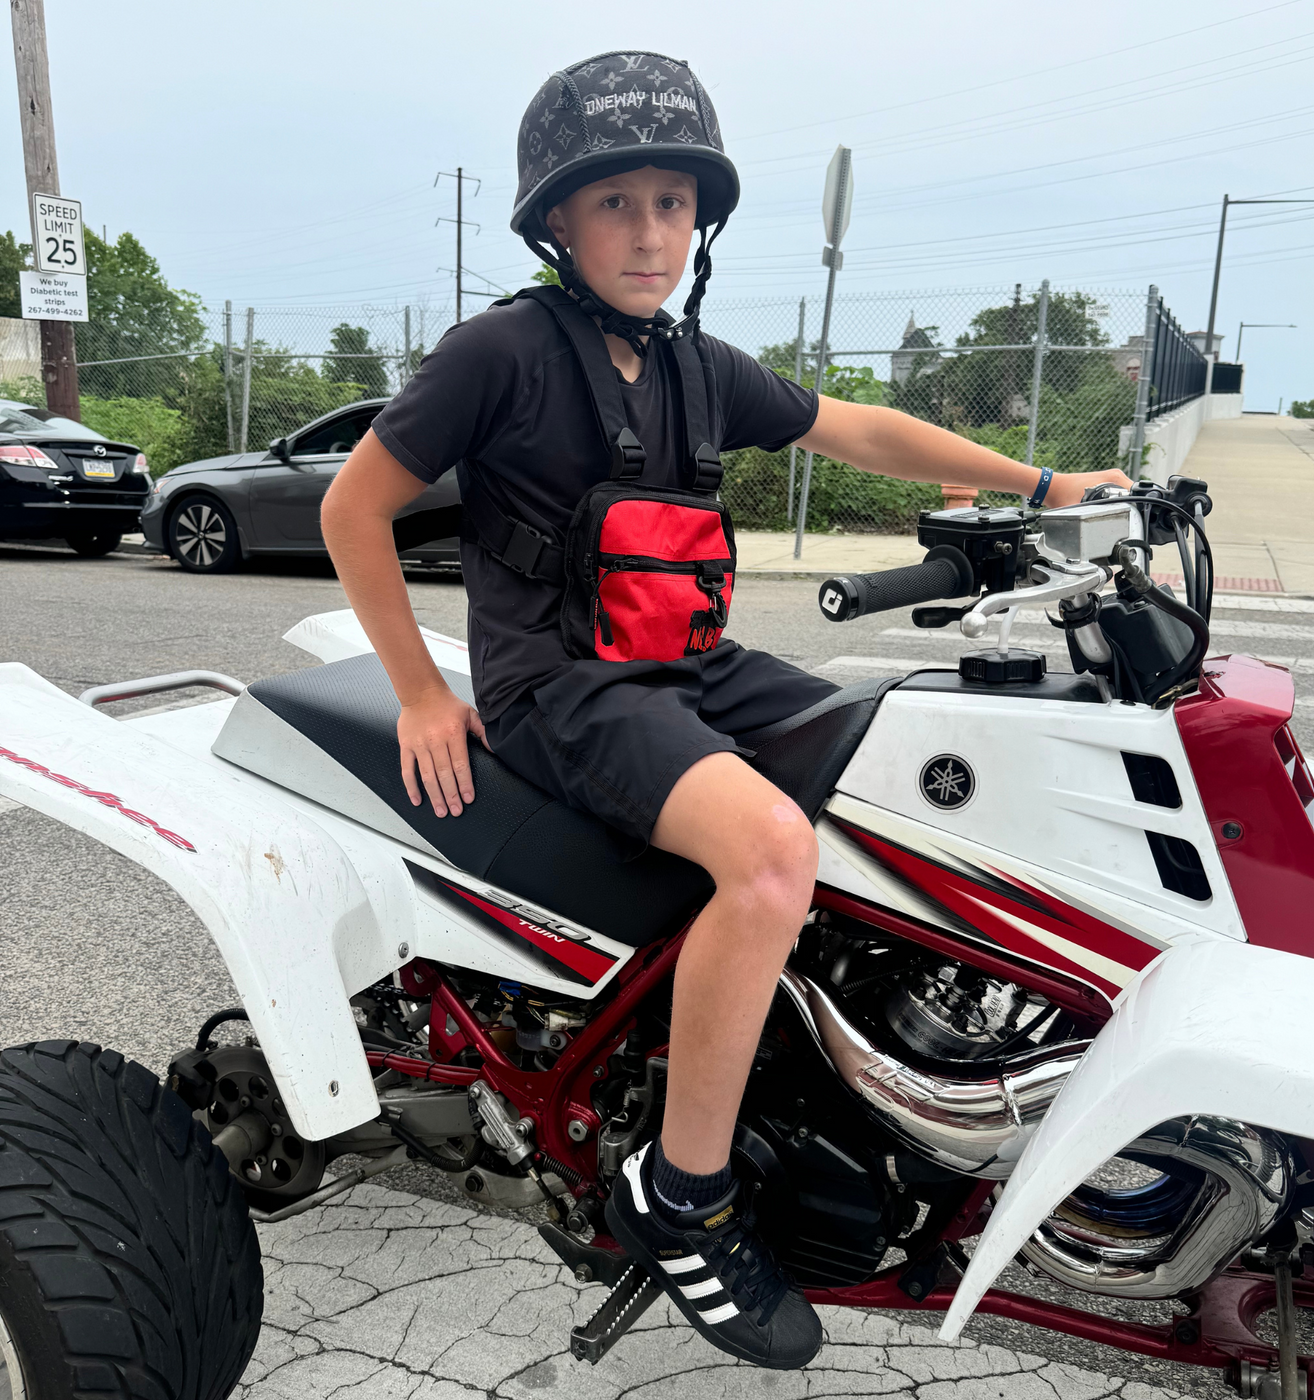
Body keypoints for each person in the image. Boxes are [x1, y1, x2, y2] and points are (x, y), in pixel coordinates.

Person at [322, 50, 1131, 1371]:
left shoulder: (696, 365)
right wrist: (422, 689)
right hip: (562, 687)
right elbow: (352, 508)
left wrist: (1044, 488)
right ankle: (682, 1191)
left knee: (909, 761)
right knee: (769, 856)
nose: (651, 233)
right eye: (617, 203)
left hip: (688, 667)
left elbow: (860, 429)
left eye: (673, 203)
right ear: (557, 221)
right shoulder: (500, 353)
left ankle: (836, 1064)